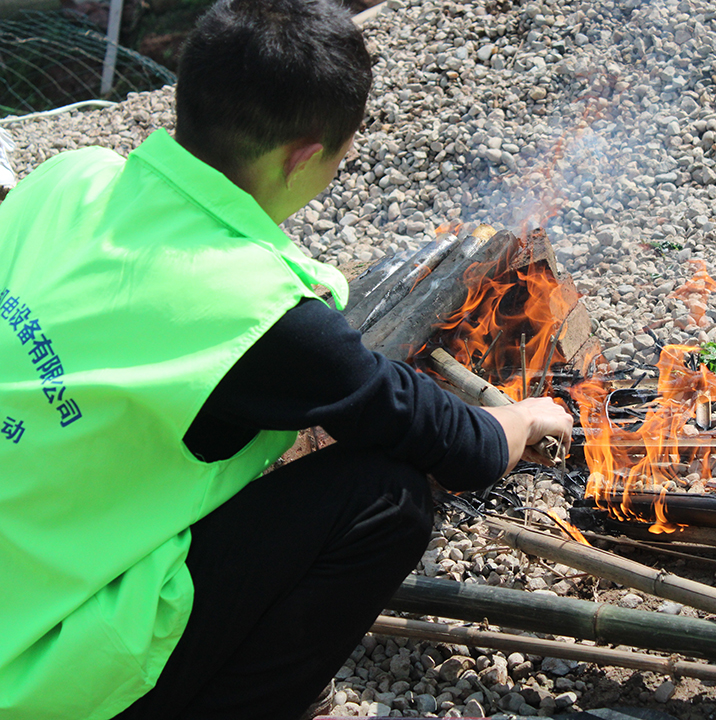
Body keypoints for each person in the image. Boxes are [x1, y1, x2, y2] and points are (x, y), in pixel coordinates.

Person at [0, 0, 573, 718]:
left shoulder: (66, 181)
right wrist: (523, 417)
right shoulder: (257, 313)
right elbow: (457, 446)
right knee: (384, 498)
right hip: (30, 675)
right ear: (305, 154)